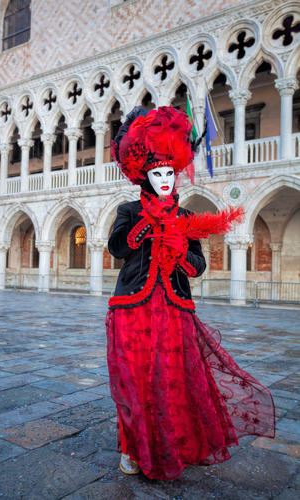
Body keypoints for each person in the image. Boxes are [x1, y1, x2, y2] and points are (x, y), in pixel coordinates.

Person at [106, 106, 275, 481]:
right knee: (134, 382)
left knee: (172, 382)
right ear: (144, 176)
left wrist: (180, 249)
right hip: (133, 309)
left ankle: (174, 445)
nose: (165, 180)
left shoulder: (186, 219)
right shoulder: (129, 210)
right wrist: (149, 225)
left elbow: (197, 266)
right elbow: (117, 247)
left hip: (173, 310)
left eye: (169, 173)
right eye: (157, 174)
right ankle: (132, 449)